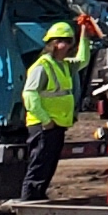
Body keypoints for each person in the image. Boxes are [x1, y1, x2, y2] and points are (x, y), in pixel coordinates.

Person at [6, 18, 84, 201]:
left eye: (69, 42)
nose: (66, 46)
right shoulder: (42, 66)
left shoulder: (64, 65)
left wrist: (85, 36)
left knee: (47, 166)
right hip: (44, 125)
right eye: (63, 41)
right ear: (54, 43)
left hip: (56, 124)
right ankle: (29, 202)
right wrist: (45, 120)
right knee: (38, 166)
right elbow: (30, 95)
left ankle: (38, 198)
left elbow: (83, 59)